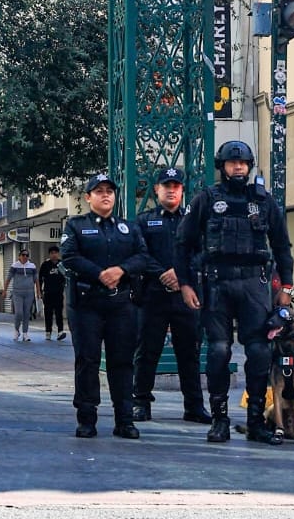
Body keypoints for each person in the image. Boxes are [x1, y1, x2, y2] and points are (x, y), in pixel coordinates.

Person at [175, 140, 294, 445]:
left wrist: (287, 289)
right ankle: (219, 419)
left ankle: (255, 421)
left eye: (243, 163)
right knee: (218, 351)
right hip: (216, 284)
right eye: (232, 163)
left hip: (256, 285)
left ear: (250, 166)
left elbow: (282, 247)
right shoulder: (206, 199)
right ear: (223, 167)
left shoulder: (265, 201)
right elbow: (183, 245)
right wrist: (186, 284)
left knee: (259, 351)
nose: (238, 167)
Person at [60, 172, 150, 439]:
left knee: (122, 362)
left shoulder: (128, 228)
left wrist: (121, 270)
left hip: (121, 304)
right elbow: (69, 256)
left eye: (109, 191)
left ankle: (124, 420)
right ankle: (86, 418)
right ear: (88, 197)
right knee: (87, 360)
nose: (105, 195)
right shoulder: (75, 226)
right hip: (87, 303)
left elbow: (143, 257)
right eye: (98, 191)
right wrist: (100, 273)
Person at [132, 167, 210, 425]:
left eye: (176, 186)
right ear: (157, 189)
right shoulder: (144, 221)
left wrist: (181, 274)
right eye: (166, 186)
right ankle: (141, 403)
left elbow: (203, 253)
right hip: (153, 293)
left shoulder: (194, 220)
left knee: (189, 352)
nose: (171, 190)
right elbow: (139, 254)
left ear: (182, 190)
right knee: (147, 351)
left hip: (185, 295)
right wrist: (163, 273)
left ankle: (194, 407)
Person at [2, 250, 39, 341]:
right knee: (19, 313)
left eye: (27, 255)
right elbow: (8, 278)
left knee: (27, 313)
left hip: (29, 293)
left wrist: (38, 291)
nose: (25, 257)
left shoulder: (32, 266)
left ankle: (25, 334)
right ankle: (16, 330)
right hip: (17, 292)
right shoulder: (14, 266)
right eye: (23, 255)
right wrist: (5, 290)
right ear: (19, 256)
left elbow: (36, 280)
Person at [38, 246, 67, 340]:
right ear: (49, 254)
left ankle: (60, 331)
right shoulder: (45, 265)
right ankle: (48, 331)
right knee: (48, 313)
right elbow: (40, 278)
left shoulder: (62, 264)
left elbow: (66, 277)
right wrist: (40, 292)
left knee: (59, 313)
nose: (54, 255)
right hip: (48, 293)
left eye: (56, 253)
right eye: (52, 253)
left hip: (59, 293)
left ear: (58, 254)